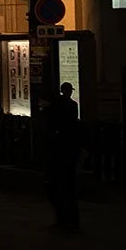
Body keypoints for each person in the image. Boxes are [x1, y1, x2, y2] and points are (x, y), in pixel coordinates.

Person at [44, 81, 81, 232]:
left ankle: (65, 219)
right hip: (65, 152)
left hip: (60, 153)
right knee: (66, 188)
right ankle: (69, 220)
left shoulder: (57, 107)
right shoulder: (69, 106)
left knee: (59, 188)